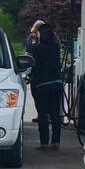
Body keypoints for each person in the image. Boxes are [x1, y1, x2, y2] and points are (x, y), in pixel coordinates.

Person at [26, 20, 63, 149]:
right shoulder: (56, 48)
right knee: (55, 114)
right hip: (56, 83)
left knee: (42, 115)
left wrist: (30, 77)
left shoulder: (37, 49)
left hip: (42, 85)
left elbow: (34, 67)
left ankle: (44, 143)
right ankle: (56, 141)